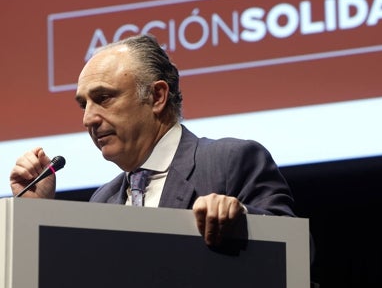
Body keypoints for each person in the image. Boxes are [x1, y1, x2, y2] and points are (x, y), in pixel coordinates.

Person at [9, 33, 304, 249]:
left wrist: (242, 219)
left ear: (157, 96)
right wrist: (37, 212)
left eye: (103, 98)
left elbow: (300, 256)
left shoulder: (230, 160)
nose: (88, 119)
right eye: (83, 105)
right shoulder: (104, 199)